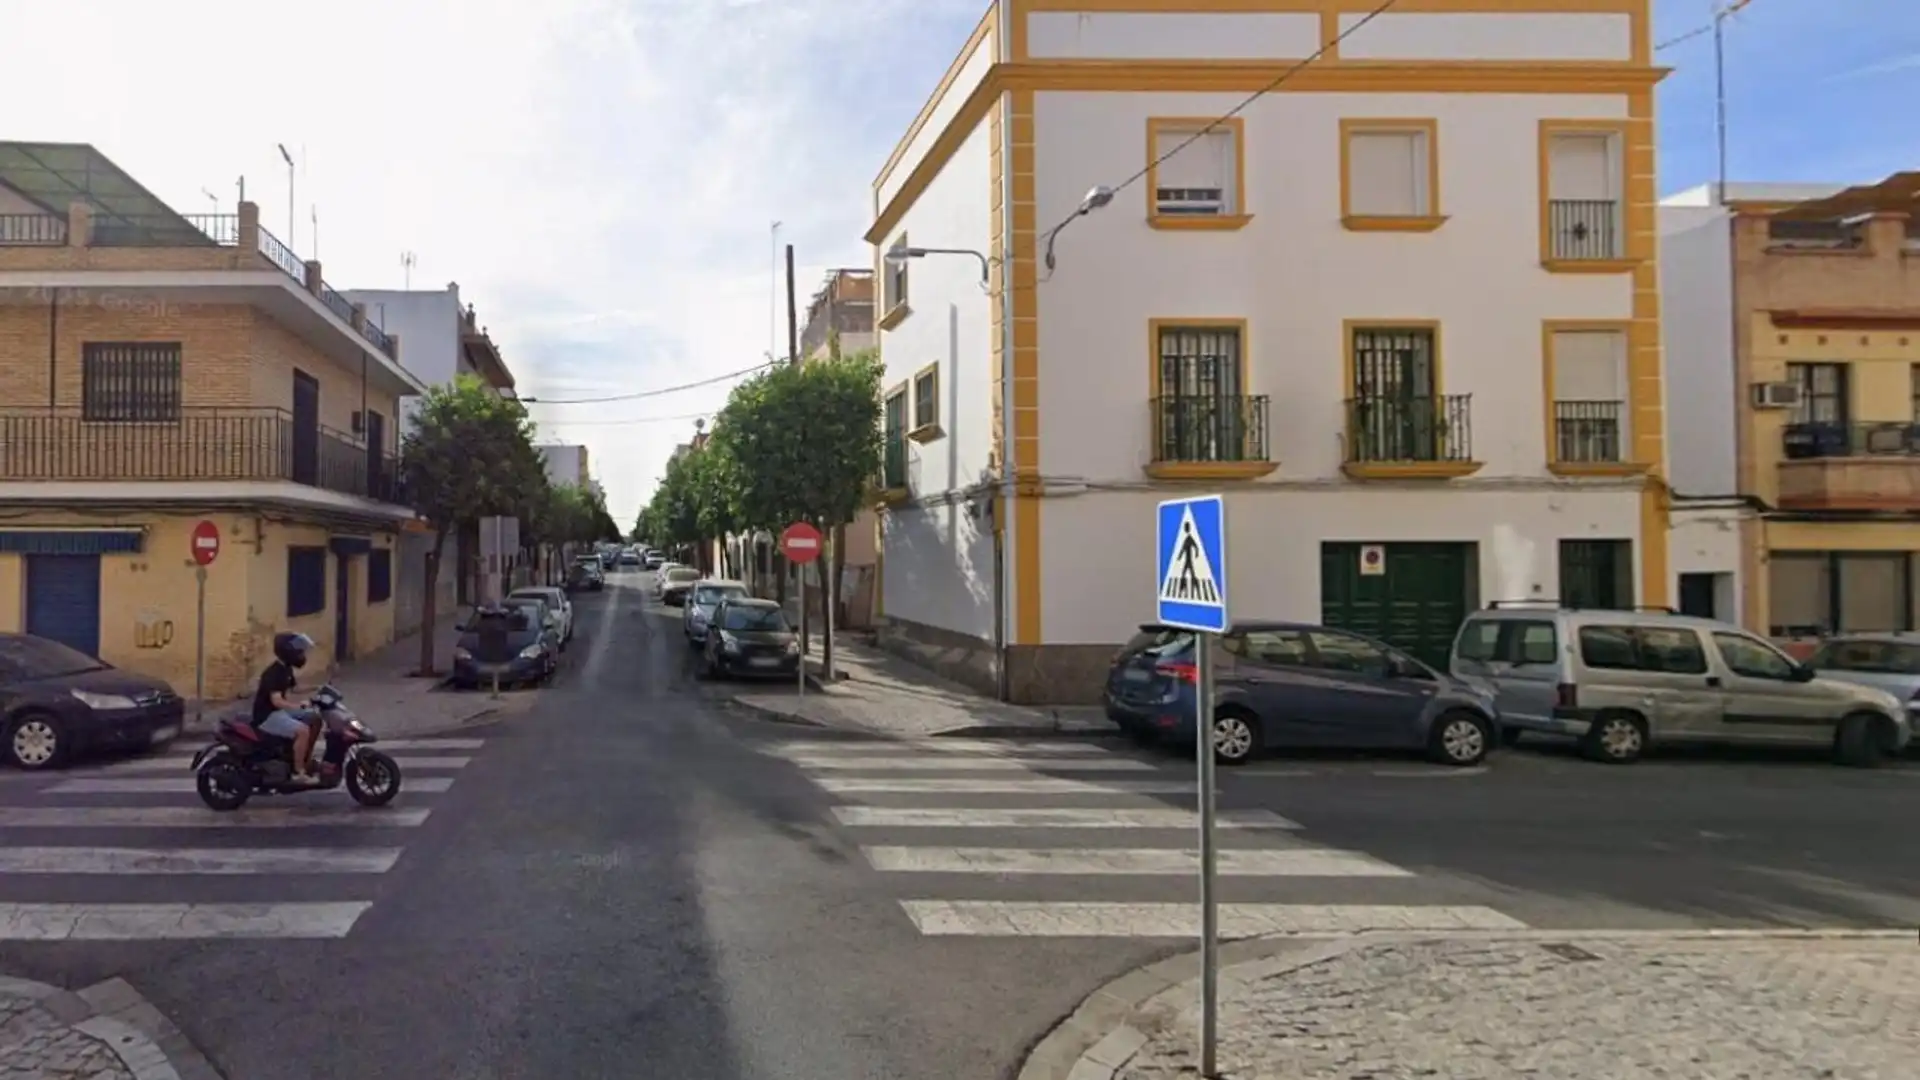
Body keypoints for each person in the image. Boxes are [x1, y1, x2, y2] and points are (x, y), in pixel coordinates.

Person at [252, 631, 321, 785]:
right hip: (267, 716)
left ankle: (305, 759)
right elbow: (277, 701)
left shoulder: (285, 668)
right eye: (299, 651)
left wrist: (318, 688)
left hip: (278, 712)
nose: (301, 655)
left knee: (314, 718)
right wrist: (298, 705)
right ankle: (299, 772)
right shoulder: (273, 673)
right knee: (302, 731)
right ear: (288, 651)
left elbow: (295, 688)